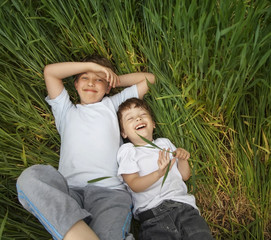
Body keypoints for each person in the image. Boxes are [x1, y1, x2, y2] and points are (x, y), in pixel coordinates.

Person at [16, 54, 155, 240]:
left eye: (99, 80)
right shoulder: (65, 110)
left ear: (107, 87)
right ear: (75, 84)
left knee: (109, 234)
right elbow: (50, 72)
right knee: (29, 178)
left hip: (110, 193)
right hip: (69, 191)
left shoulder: (112, 106)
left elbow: (150, 79)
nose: (91, 83)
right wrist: (90, 66)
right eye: (85, 77)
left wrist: (114, 79)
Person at [117, 98, 213, 240]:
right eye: (130, 118)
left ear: (153, 124)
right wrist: (158, 173)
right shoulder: (128, 151)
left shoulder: (164, 143)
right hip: (153, 217)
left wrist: (182, 159)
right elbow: (134, 184)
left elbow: (184, 176)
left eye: (143, 115)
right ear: (124, 133)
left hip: (184, 209)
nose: (138, 118)